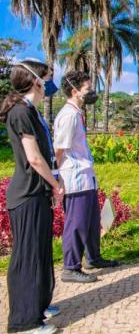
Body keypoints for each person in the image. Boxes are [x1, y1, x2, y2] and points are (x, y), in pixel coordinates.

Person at [1, 61, 64, 334]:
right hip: (27, 194)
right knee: (27, 256)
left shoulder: (31, 111)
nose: (51, 83)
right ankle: (24, 321)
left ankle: (38, 304)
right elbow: (34, 159)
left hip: (38, 192)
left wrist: (54, 180)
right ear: (36, 81)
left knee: (40, 252)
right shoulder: (20, 113)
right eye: (48, 78)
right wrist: (56, 185)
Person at [55, 70, 119, 284]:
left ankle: (93, 257)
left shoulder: (77, 113)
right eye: (87, 88)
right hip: (75, 177)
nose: (92, 92)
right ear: (74, 91)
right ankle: (71, 267)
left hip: (86, 176)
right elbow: (59, 149)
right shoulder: (69, 115)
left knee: (92, 221)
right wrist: (56, 177)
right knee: (77, 223)